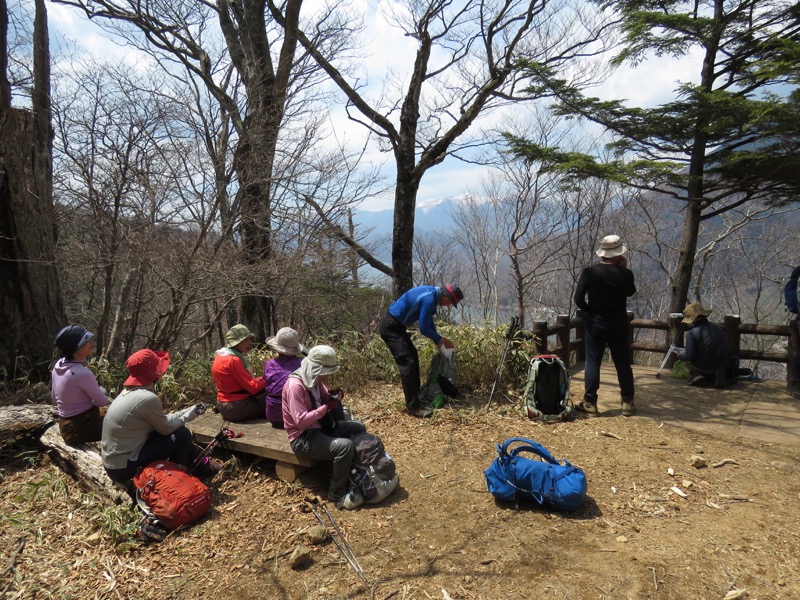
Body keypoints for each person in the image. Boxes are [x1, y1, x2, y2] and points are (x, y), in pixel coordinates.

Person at [101, 349, 215, 483]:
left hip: (115, 463)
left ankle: (198, 468)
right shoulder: (147, 398)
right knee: (182, 434)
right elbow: (165, 429)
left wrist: (188, 410)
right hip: (123, 467)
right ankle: (177, 480)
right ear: (154, 373)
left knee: (177, 434)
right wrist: (187, 417)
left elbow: (162, 421)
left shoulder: (129, 392)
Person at [282, 345, 366, 504]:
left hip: (321, 427)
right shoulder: (295, 386)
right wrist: (325, 408)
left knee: (358, 427)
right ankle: (336, 491)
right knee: (345, 446)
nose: (325, 378)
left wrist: (333, 397)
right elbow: (300, 420)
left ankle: (357, 471)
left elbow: (323, 397)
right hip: (303, 438)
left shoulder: (314, 381)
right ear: (315, 369)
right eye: (324, 374)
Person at [574, 235, 637, 417]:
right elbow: (630, 292)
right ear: (618, 254)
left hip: (596, 322)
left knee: (593, 362)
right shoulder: (626, 274)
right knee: (623, 363)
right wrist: (624, 270)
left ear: (602, 253)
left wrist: (589, 311)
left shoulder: (590, 272)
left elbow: (578, 298)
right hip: (618, 322)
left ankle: (590, 403)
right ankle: (628, 402)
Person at [379, 284, 464, 417]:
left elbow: (428, 321)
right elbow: (424, 329)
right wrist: (442, 339)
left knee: (413, 355)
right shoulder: (429, 299)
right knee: (408, 363)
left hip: (397, 326)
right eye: (450, 302)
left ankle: (416, 396)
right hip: (391, 327)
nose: (448, 305)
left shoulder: (432, 294)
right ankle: (413, 407)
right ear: (446, 296)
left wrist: (437, 341)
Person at [50, 325, 110, 445]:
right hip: (80, 429)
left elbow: (54, 399)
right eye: (86, 341)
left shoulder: (59, 365)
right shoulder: (82, 373)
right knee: (122, 420)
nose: (90, 342)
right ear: (75, 348)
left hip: (65, 425)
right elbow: (102, 402)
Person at [673, 303, 738, 388]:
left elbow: (690, 356)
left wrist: (680, 355)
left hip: (702, 365)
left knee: (689, 363)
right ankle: (718, 375)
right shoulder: (718, 327)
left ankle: (696, 375)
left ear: (693, 319)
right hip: (721, 363)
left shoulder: (692, 333)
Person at [211, 324, 267, 422]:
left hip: (223, 405)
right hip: (236, 408)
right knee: (274, 396)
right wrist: (268, 378)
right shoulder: (233, 360)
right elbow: (253, 388)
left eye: (250, 339)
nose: (250, 343)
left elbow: (242, 383)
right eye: (245, 340)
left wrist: (261, 379)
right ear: (236, 342)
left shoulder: (220, 356)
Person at [263, 327, 307, 429]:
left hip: (273, 416)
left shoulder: (269, 364)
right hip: (295, 416)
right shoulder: (303, 363)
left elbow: (266, 383)